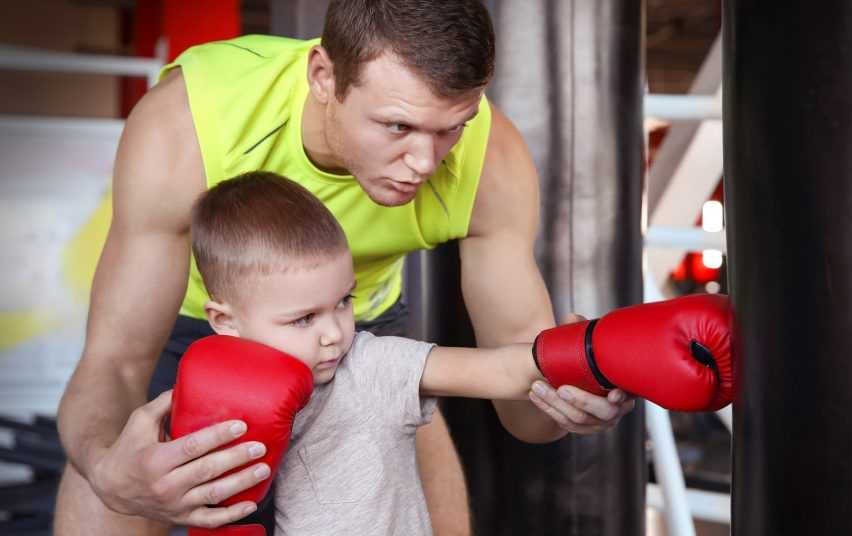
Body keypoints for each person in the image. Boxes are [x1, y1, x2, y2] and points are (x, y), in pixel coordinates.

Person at [53, 1, 635, 534]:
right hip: (200, 327)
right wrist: (109, 471)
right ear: (323, 77)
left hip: (360, 334)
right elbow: (114, 359)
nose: (425, 162)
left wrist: (568, 396)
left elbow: (524, 399)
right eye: (398, 127)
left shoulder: (490, 162)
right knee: (107, 484)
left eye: (450, 127)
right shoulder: (192, 122)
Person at [177, 172, 732, 536]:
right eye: (303, 319)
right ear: (225, 321)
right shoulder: (210, 394)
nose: (333, 333)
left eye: (343, 303)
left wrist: (599, 356)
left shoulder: (368, 365)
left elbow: (498, 369)